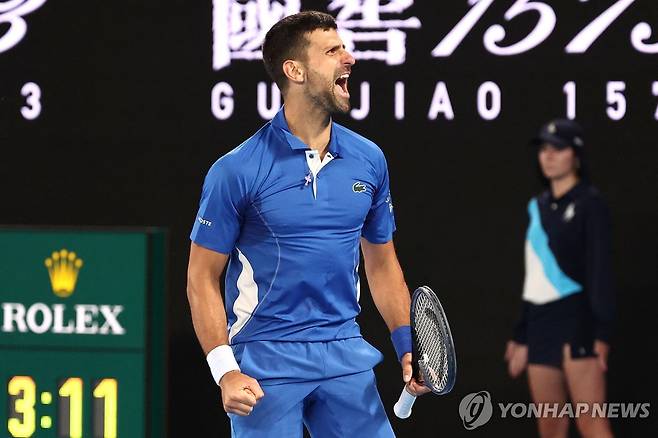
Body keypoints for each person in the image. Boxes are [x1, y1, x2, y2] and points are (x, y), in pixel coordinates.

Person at [186, 11, 429, 437]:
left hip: (344, 355)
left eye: (345, 47)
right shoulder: (235, 171)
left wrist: (407, 342)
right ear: (294, 70)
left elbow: (382, 264)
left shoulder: (369, 160)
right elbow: (201, 277)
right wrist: (224, 370)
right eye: (332, 51)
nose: (349, 58)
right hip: (263, 363)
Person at [504, 119, 616, 438]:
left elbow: (600, 271)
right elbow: (535, 276)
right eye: (544, 149)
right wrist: (522, 335)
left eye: (558, 149)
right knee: (550, 428)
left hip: (577, 322)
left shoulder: (590, 204)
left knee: (591, 423)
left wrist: (602, 334)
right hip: (541, 325)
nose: (548, 156)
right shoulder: (536, 207)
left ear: (576, 155)